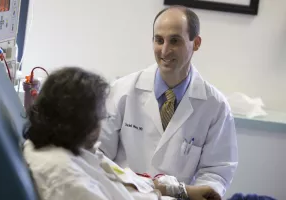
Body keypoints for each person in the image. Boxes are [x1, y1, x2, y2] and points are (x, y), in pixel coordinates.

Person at [99, 5, 238, 198]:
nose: (164, 50)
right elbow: (98, 154)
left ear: (196, 43)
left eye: (175, 41)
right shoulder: (122, 91)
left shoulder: (215, 106)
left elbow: (216, 173)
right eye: (159, 40)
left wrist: (178, 191)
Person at [22, 67, 168, 200]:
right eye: (99, 115)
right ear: (83, 122)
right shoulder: (66, 178)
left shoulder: (63, 148)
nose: (102, 118)